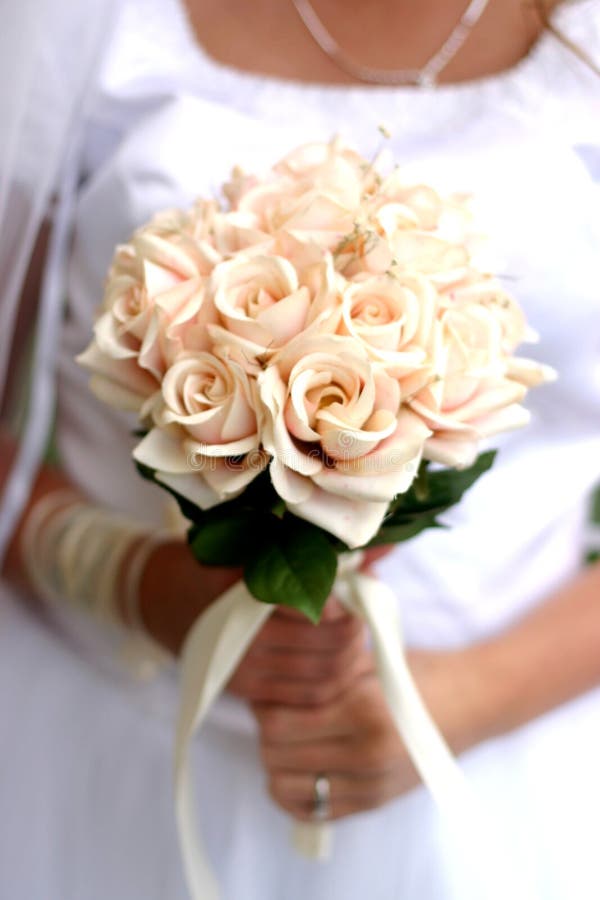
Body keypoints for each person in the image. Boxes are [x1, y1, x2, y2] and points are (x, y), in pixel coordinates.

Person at [0, 0, 599, 897]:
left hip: (500, 775)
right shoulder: (77, 20)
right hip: (110, 748)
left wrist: (466, 698)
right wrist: (129, 581)